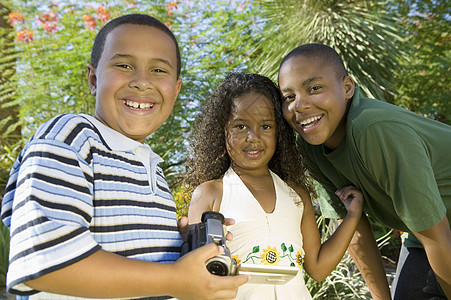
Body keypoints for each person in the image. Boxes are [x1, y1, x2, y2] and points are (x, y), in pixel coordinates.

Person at [1, 14, 249, 300]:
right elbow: (47, 262)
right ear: (93, 79)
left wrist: (175, 247)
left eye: (158, 70)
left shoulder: (149, 164)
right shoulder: (71, 137)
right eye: (124, 65)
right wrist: (174, 278)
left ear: (176, 89)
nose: (142, 82)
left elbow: (133, 262)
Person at [278, 43, 451, 300]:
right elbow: (353, 228)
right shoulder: (310, 147)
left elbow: (436, 235)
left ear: (347, 88)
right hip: (428, 235)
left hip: (436, 232)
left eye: (314, 88)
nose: (299, 105)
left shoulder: (375, 130)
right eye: (289, 97)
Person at [186, 72, 365, 299]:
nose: (254, 137)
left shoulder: (297, 196)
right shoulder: (211, 193)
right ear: (222, 131)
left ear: (279, 132)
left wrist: (352, 217)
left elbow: (318, 268)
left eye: (266, 126)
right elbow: (191, 272)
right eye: (241, 126)